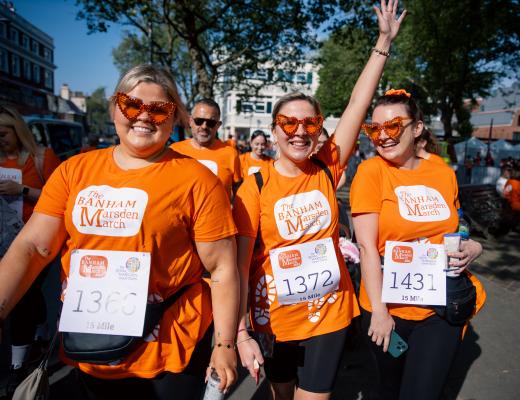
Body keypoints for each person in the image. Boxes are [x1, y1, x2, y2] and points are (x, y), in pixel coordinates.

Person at [0, 65, 239, 399]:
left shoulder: (199, 180)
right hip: (92, 344)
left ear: (174, 118)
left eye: (159, 109)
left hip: (170, 346)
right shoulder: (74, 171)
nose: (144, 116)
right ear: (115, 108)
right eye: (132, 105)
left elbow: (222, 268)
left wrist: (226, 343)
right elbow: (33, 247)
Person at [232, 2, 406, 399]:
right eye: (288, 124)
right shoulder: (254, 186)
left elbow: (357, 106)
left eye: (309, 123)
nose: (299, 132)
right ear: (274, 131)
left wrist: (383, 42)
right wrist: (239, 332)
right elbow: (238, 268)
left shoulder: (328, 167)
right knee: (281, 394)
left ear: (319, 130)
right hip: (273, 316)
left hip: (328, 312)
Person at [350, 89, 486, 400]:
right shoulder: (371, 172)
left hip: (439, 308)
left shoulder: (441, 170)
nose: (383, 136)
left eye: (394, 126)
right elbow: (367, 248)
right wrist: (381, 313)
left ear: (418, 128)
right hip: (388, 310)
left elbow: (455, 229)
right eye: (375, 128)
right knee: (387, 390)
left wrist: (473, 248)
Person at [0, 105, 61, 395]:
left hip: (37, 240)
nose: (1, 140)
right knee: (29, 295)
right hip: (3, 240)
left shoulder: (41, 158)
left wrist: (22, 190)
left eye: (4, 134)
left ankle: (17, 364)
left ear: (17, 131)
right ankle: (40, 330)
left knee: (23, 298)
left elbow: (61, 198)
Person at [171, 98, 242, 199]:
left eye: (211, 123)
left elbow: (238, 193)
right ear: (190, 121)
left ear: (218, 125)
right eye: (199, 121)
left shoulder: (230, 154)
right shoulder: (174, 151)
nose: (204, 126)